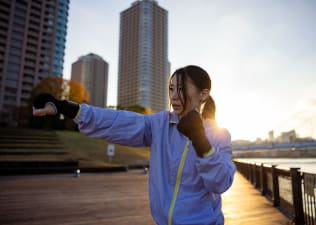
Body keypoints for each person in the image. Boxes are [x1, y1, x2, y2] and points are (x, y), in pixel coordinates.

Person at [33, 65, 236, 225]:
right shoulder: (159, 124)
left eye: (181, 89)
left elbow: (220, 183)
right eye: (171, 88)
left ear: (204, 94)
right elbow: (117, 121)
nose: (173, 95)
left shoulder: (219, 135)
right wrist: (66, 108)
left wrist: (200, 140)